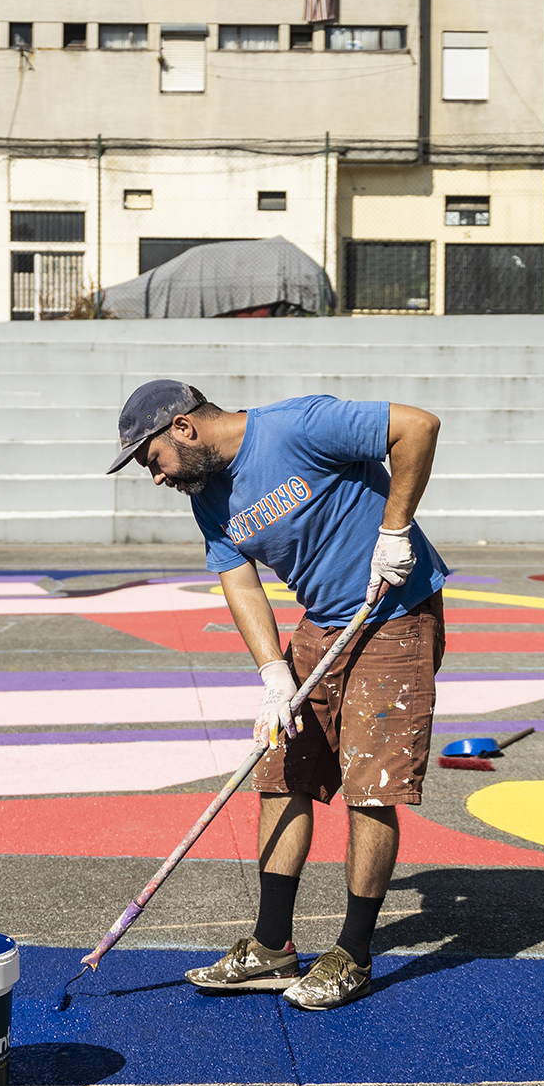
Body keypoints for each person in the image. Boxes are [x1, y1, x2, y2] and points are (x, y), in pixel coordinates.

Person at [107, 379, 446, 1011]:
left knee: (371, 788)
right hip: (322, 623)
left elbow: (418, 426)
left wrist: (395, 531)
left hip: (394, 615)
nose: (155, 477)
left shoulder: (298, 426)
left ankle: (353, 953)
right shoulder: (207, 495)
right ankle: (271, 947)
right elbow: (239, 581)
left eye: (151, 459)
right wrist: (272, 673)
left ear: (183, 428)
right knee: (281, 771)